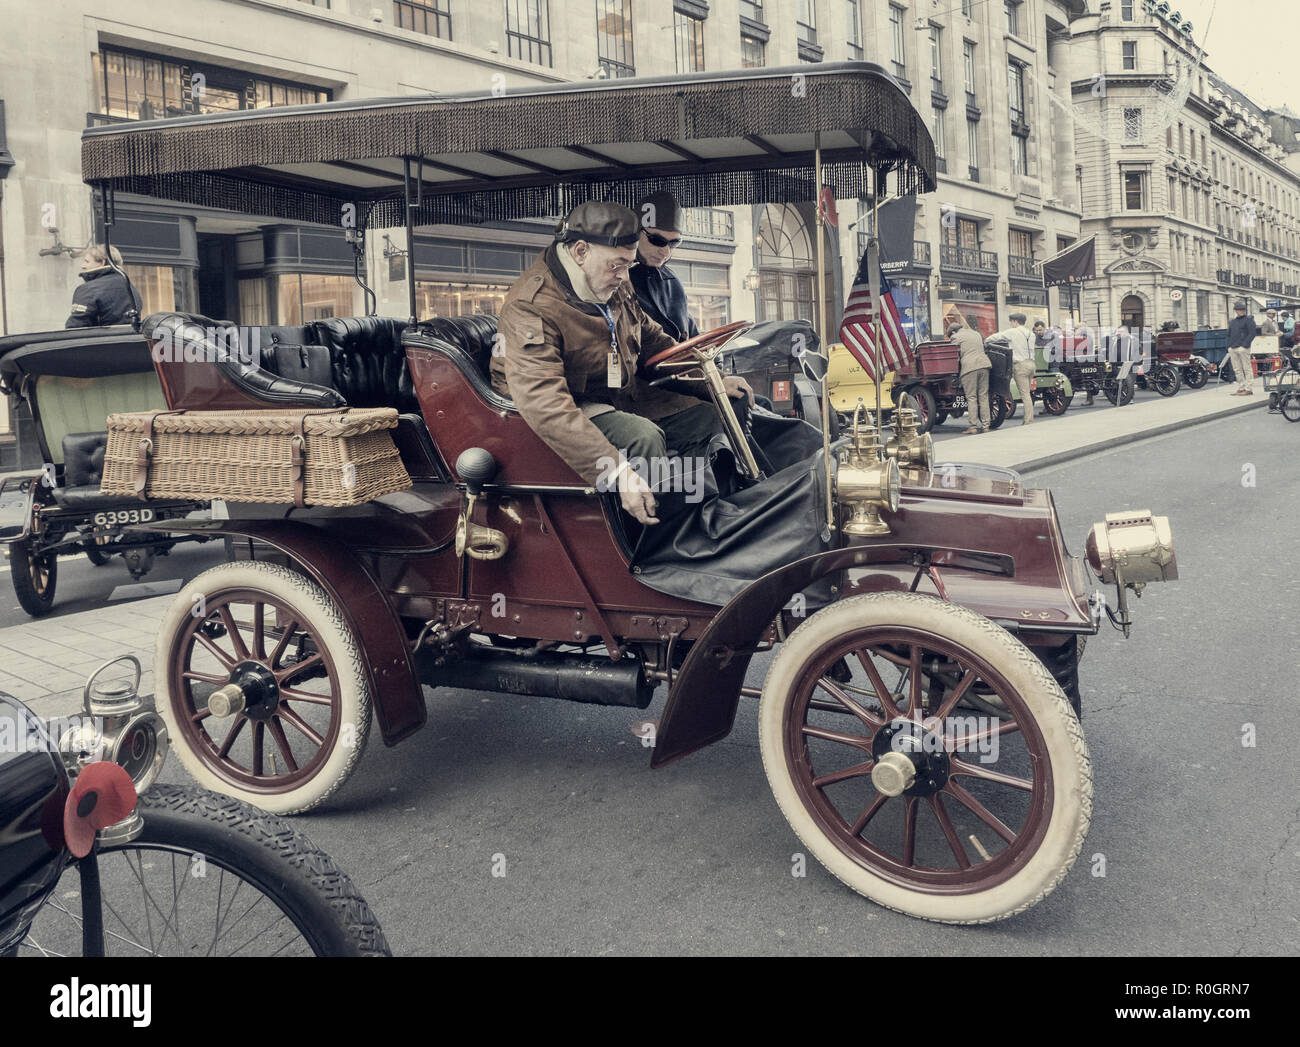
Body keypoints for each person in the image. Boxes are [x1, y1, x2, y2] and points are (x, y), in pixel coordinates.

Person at [492, 201, 753, 526]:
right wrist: (618, 471)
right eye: (617, 265)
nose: (624, 275)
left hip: (612, 398)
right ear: (580, 251)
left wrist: (711, 382)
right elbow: (545, 404)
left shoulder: (613, 277)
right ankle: (651, 541)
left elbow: (654, 341)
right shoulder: (531, 307)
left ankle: (696, 512)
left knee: (709, 414)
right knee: (641, 437)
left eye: (628, 264)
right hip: (552, 412)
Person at [628, 191, 699, 344]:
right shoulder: (615, 278)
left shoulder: (673, 283)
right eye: (657, 240)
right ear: (635, 232)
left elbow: (693, 336)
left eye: (674, 243)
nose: (665, 251)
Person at [65, 244, 142, 328]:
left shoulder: (88, 289)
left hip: (99, 340)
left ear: (102, 262)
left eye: (87, 261)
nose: (82, 266)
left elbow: (76, 327)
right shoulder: (131, 287)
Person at [994, 313, 1037, 424]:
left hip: (1020, 365)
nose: (1011, 324)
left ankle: (1028, 420)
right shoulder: (1031, 334)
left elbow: (997, 336)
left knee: (1025, 394)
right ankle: (1029, 418)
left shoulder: (1013, 332)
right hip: (1031, 364)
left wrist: (986, 341)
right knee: (1027, 393)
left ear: (1015, 321)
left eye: (1011, 322)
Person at [950, 321, 992, 433]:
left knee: (972, 397)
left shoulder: (956, 337)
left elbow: (952, 353)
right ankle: (986, 426)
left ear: (953, 331)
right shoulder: (976, 333)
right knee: (983, 396)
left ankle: (973, 427)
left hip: (970, 367)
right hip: (984, 364)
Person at [1226, 301, 1257, 396]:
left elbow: (1252, 333)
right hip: (1233, 347)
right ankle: (1241, 387)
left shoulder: (1249, 320)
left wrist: (1244, 345)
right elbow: (1228, 334)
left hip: (1243, 347)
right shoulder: (1233, 321)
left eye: (1241, 310)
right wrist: (1229, 346)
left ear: (1244, 311)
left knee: (1246, 368)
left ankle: (1248, 388)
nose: (1239, 312)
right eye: (1238, 310)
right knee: (1237, 369)